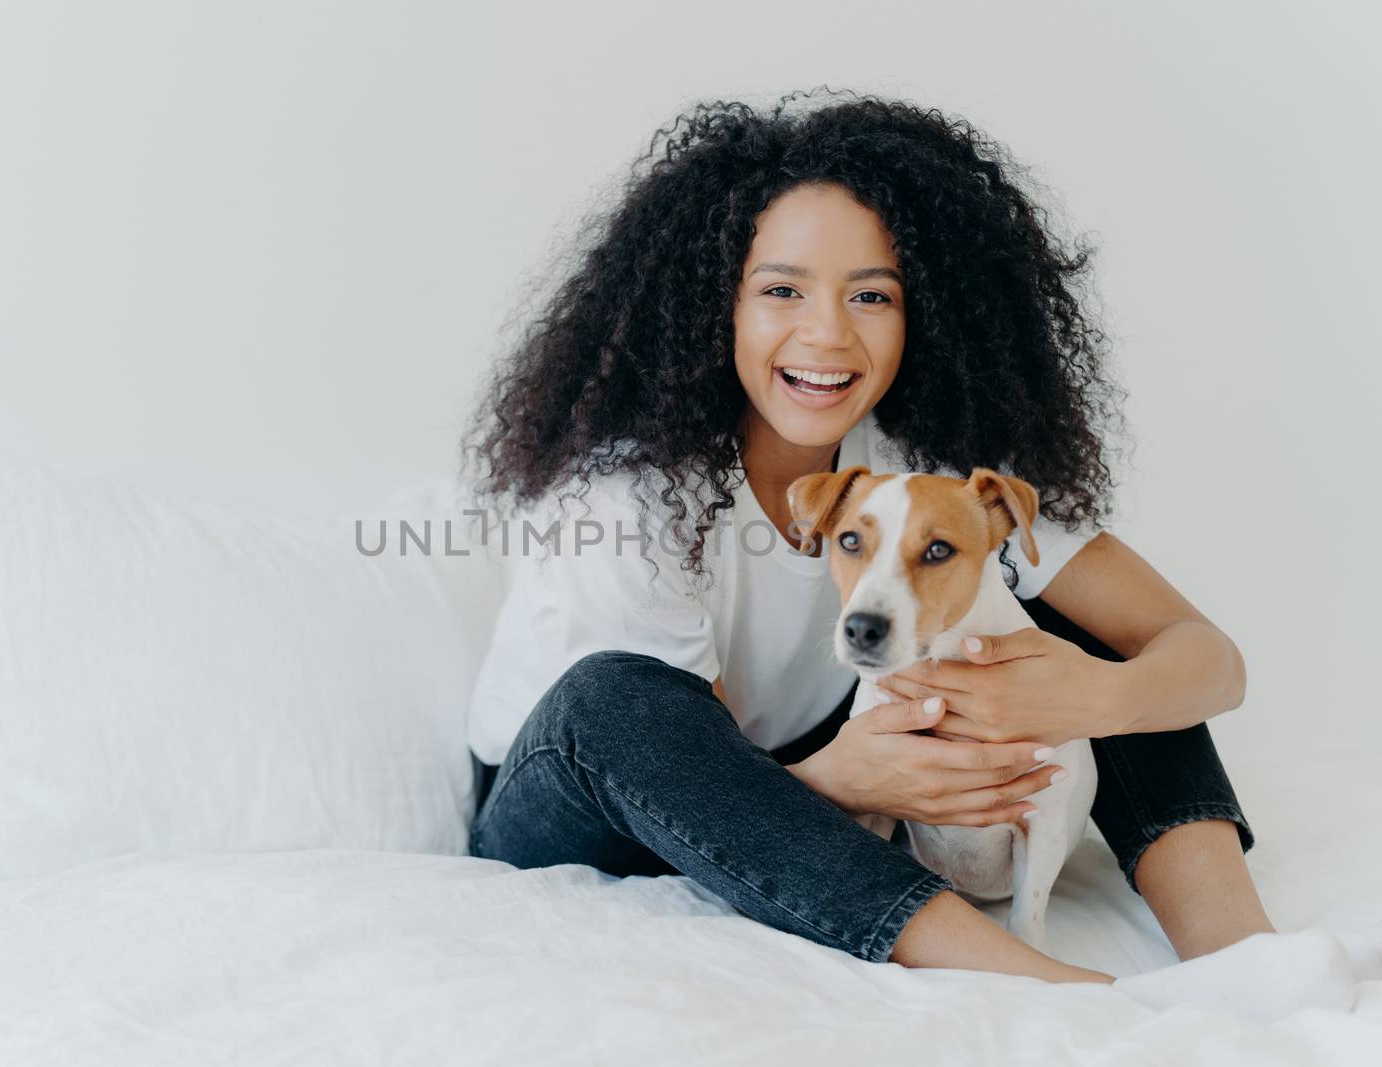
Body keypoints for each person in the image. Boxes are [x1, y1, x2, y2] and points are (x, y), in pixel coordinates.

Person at [454, 89, 1280, 989]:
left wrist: (1093, 699)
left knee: (1084, 647)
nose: (827, 333)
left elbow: (1209, 660)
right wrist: (848, 778)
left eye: (871, 296)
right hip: (585, 792)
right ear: (710, 304)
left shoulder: (933, 473)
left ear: (918, 313)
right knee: (617, 696)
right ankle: (1039, 981)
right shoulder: (633, 496)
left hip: (797, 756)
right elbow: (697, 779)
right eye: (781, 290)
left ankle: (1244, 960)